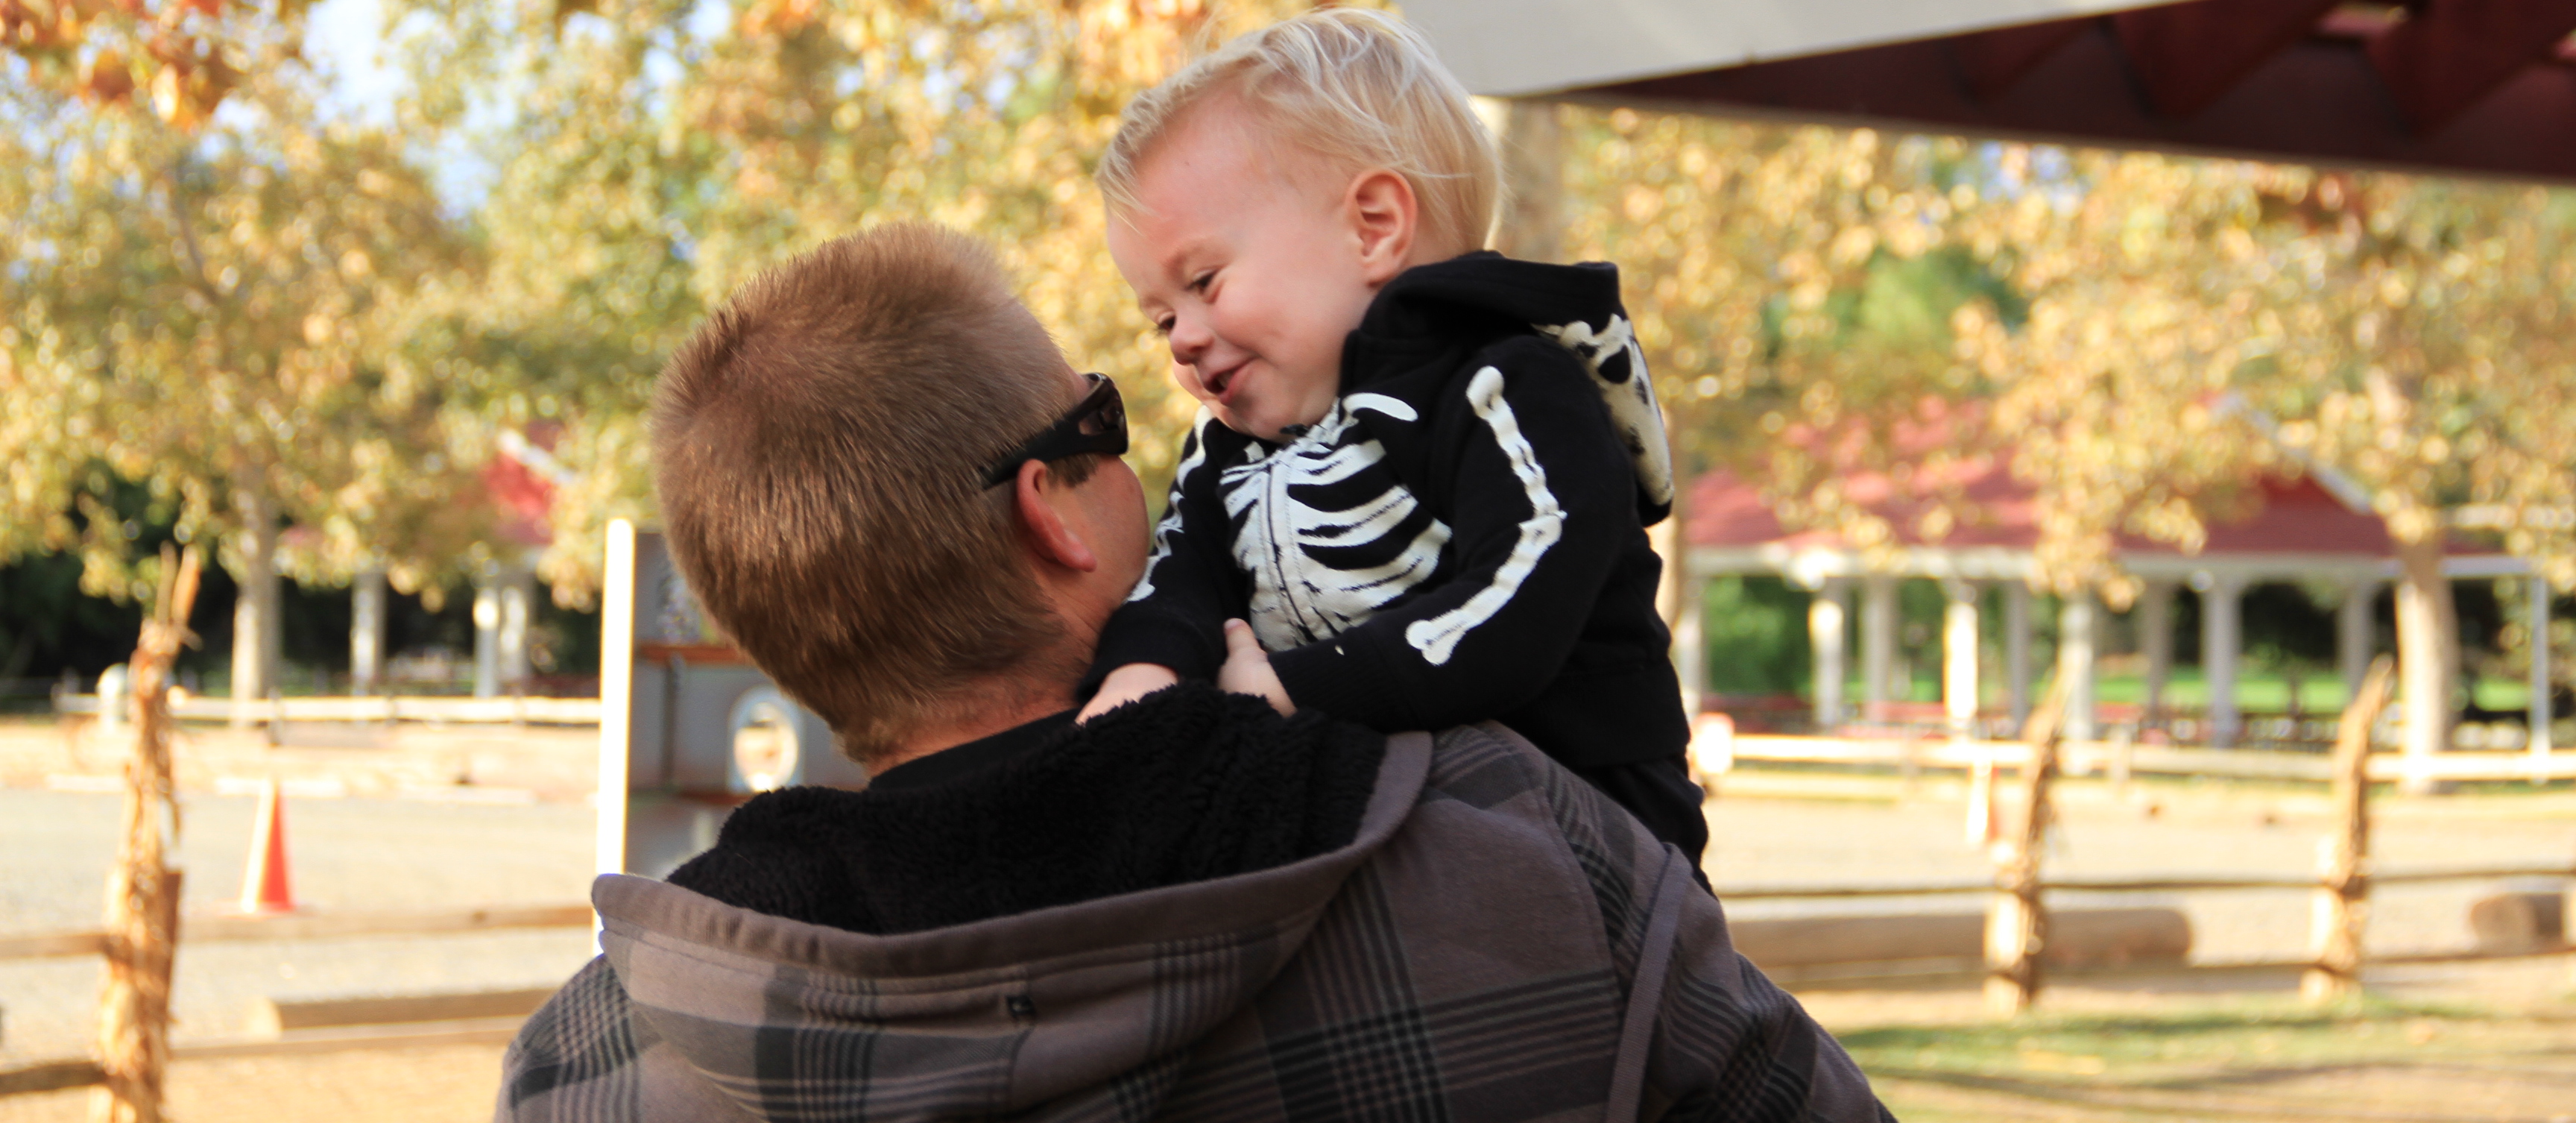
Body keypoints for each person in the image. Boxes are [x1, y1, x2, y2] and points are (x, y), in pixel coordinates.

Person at [496, 224, 1893, 1122]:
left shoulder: (601, 1059)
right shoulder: (1523, 849)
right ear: (1050, 510)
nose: (1165, 439)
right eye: (1103, 421)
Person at [1081, 9, 1707, 865]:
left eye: (1206, 281)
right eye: (1161, 319)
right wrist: (1139, 676)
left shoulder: (1506, 384)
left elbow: (1525, 593)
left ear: (1372, 226)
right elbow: (1179, 581)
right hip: (1379, 831)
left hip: (1587, 841)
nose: (1183, 340)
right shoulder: (1227, 449)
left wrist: (1295, 688)